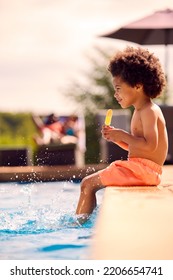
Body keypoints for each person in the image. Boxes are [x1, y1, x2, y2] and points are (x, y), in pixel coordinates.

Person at [75, 46, 168, 224]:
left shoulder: (149, 111)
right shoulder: (141, 110)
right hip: (143, 169)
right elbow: (140, 147)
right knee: (89, 184)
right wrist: (117, 139)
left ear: (138, 85)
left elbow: (150, 146)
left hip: (143, 171)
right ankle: (85, 221)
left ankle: (78, 225)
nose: (116, 95)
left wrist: (123, 134)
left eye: (118, 88)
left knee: (87, 184)